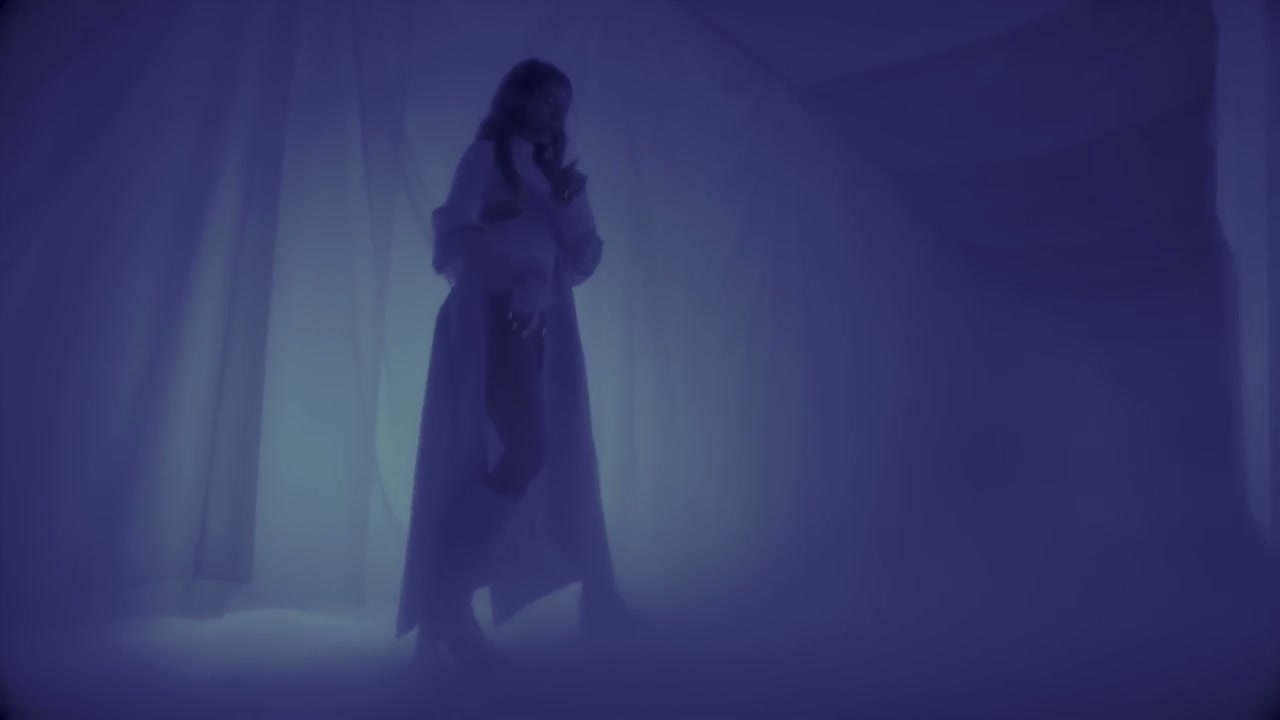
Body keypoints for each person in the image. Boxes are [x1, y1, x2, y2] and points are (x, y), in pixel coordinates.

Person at [397, 58, 638, 668]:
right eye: (546, 98)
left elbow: (581, 261)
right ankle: (449, 602)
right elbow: (453, 239)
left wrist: (569, 204)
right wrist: (511, 270)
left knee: (555, 450)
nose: (556, 112)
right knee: (523, 448)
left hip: (544, 323)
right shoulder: (486, 157)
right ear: (517, 98)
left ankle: (584, 592)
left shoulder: (552, 173)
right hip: (495, 317)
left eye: (563, 104)